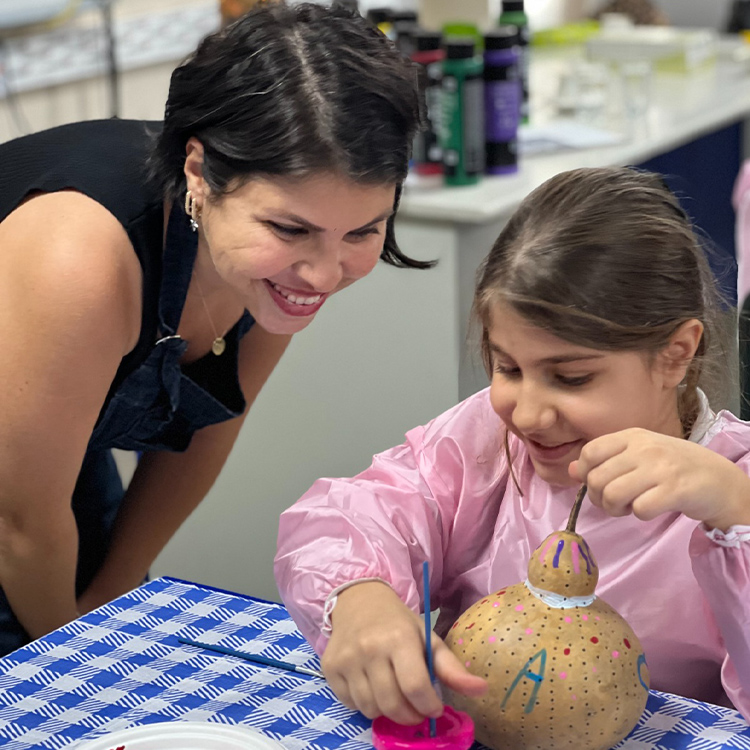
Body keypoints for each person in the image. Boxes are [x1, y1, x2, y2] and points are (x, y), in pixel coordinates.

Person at [0, 1, 427, 656]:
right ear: (198, 172)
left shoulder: (272, 271)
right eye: (290, 229)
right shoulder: (79, 260)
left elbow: (211, 428)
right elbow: (20, 524)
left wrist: (113, 596)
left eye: (363, 232)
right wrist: (78, 656)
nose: (323, 274)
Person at [275, 166, 750, 726]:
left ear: (675, 354)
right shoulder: (486, 440)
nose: (527, 414)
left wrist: (736, 512)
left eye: (570, 378)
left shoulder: (732, 481)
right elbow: (349, 516)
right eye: (508, 368)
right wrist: (359, 598)